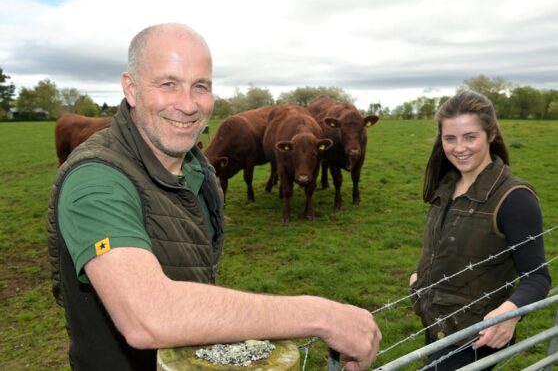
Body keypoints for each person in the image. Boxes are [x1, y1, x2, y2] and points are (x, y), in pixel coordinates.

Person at [46, 23, 381, 371]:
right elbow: (147, 316)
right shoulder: (95, 179)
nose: (188, 105)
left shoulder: (198, 170)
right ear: (131, 88)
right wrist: (320, 315)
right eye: (168, 84)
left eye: (200, 86)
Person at [409, 91, 550, 369]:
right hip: (436, 320)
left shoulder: (515, 198)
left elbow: (537, 277)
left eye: (470, 137)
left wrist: (510, 313)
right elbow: (446, 245)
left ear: (491, 135)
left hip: (476, 335)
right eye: (450, 138)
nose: (459, 147)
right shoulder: (446, 185)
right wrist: (421, 276)